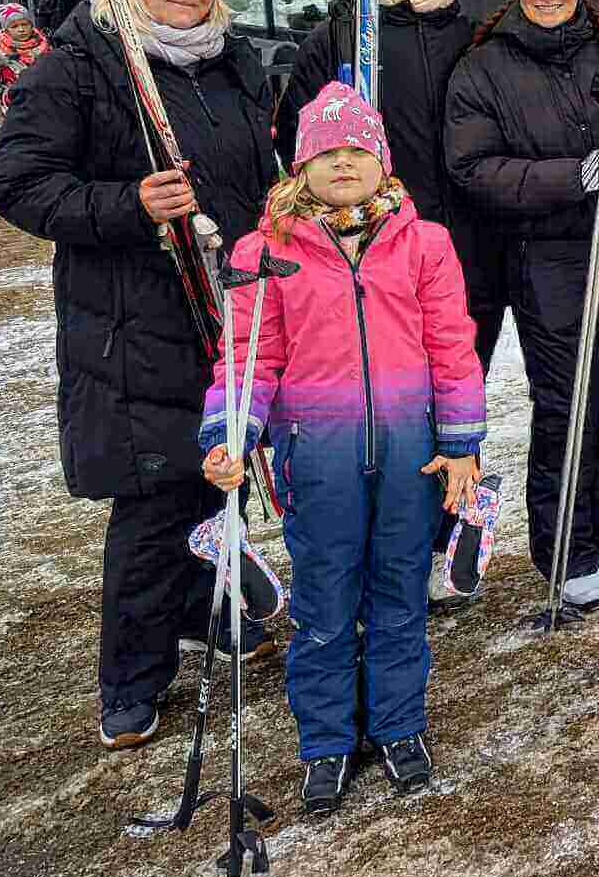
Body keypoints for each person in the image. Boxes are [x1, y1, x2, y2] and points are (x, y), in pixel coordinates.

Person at [0, 0, 277, 749]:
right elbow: (16, 183)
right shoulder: (80, 66)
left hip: (224, 308)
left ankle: (198, 611)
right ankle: (130, 677)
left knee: (217, 475)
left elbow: (258, 174)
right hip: (130, 320)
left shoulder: (232, 63)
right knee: (154, 501)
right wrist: (128, 204)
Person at [199, 80, 485, 811]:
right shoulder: (266, 251)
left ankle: (399, 724)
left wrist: (461, 441)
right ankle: (325, 739)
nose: (344, 163)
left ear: (382, 161)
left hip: (410, 451)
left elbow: (452, 347)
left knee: (399, 591)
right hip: (317, 454)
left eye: (358, 150)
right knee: (324, 599)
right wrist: (230, 435)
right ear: (301, 167)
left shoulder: (424, 245)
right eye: (327, 153)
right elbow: (249, 356)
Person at [443, 0, 599, 612]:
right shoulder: (484, 66)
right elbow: (474, 168)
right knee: (568, 406)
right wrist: (577, 174)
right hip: (548, 256)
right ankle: (566, 545)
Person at [275, 0, 503, 370]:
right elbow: (297, 142)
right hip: (372, 243)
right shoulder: (340, 36)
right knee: (386, 381)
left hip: (463, 246)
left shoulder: (470, 38)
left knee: (460, 376)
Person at [0, 1, 49, 110]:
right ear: (6, 30)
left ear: (31, 25)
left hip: (46, 102)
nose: (21, 30)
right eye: (14, 26)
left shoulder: (45, 46)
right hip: (16, 104)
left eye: (25, 24)